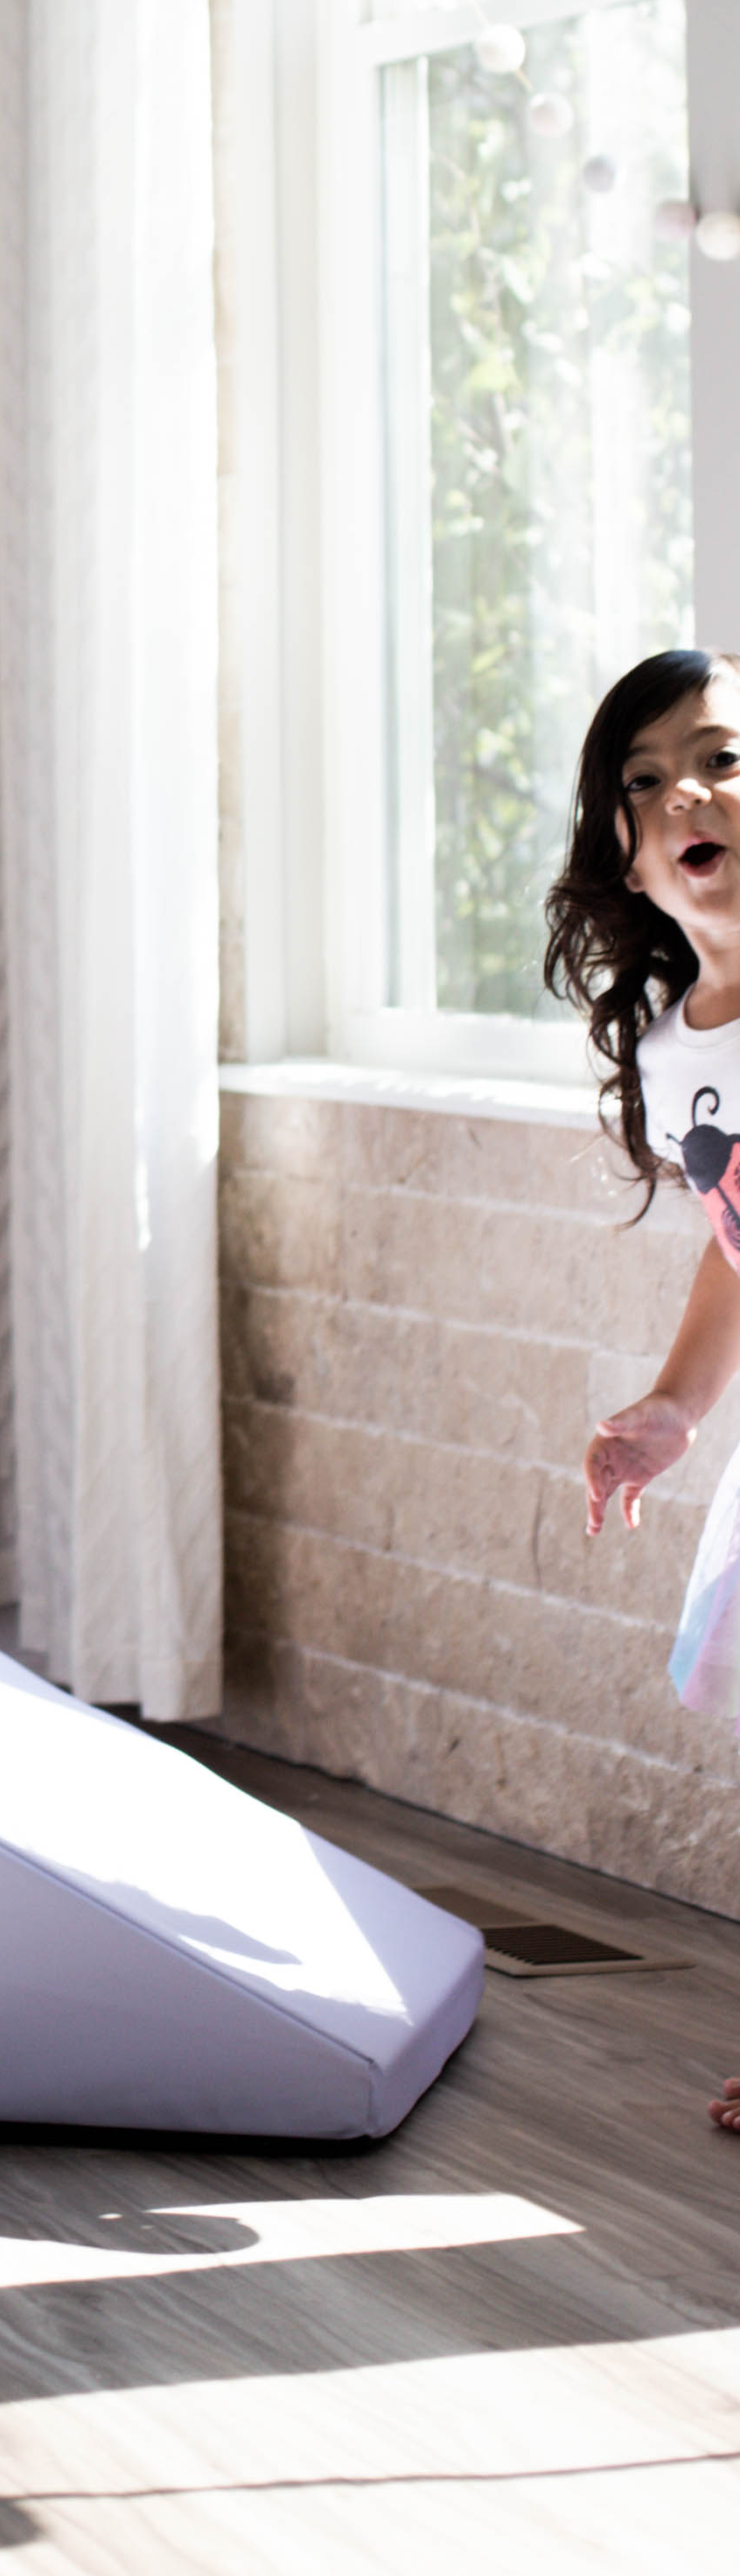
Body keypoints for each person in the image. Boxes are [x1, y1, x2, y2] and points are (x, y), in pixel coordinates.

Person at [545, 641, 740, 2137]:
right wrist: (677, 1403)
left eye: (721, 755)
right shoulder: (681, 1046)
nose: (686, 790)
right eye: (645, 776)